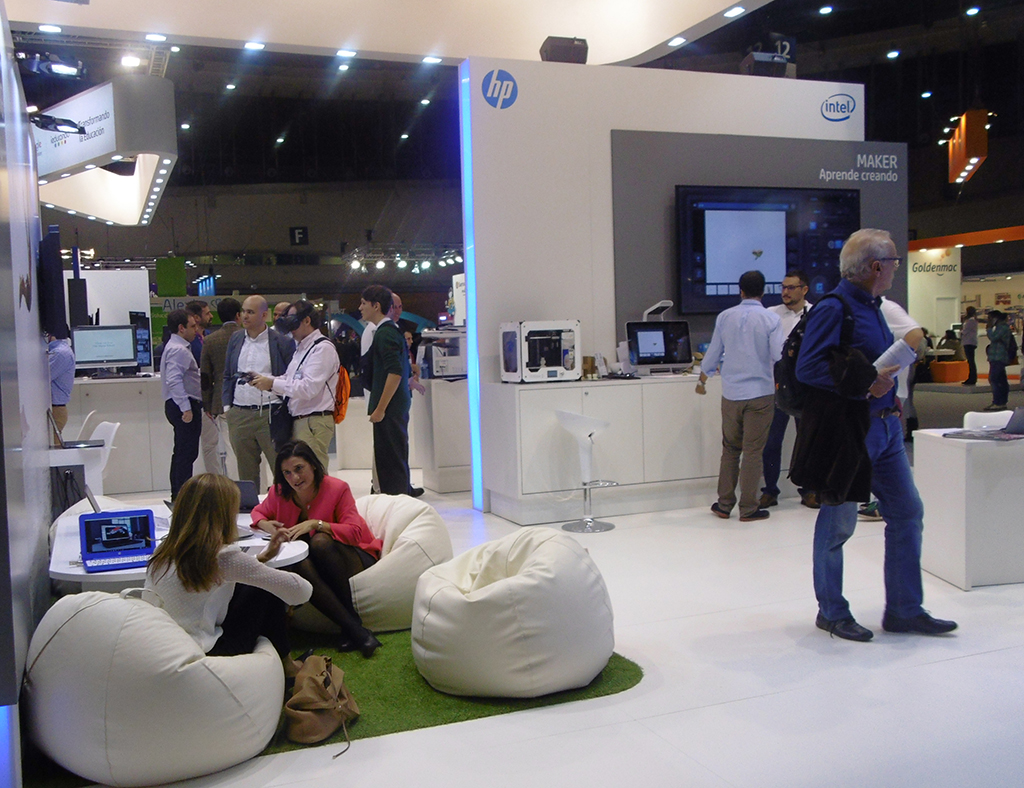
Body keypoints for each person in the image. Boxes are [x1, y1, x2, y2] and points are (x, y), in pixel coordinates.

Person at [794, 228, 957, 642]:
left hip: (885, 427)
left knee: (907, 512)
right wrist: (868, 382)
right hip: (852, 432)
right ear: (875, 267)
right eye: (894, 261)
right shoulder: (835, 307)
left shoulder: (873, 306)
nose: (896, 268)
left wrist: (890, 399)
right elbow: (807, 368)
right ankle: (832, 611)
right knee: (838, 524)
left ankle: (904, 609)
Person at [144, 473, 312, 674]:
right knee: (264, 591)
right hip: (207, 651)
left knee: (253, 586)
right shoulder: (223, 556)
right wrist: (266, 571)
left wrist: (262, 558)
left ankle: (286, 664)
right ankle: (289, 667)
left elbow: (220, 575)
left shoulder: (163, 550)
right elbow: (302, 592)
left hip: (162, 647)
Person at [251, 441, 382, 657]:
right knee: (299, 564)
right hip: (317, 565)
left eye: (299, 468)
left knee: (321, 542)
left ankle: (352, 627)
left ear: (312, 464)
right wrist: (266, 524)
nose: (294, 478)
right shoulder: (279, 492)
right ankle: (355, 629)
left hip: (354, 556)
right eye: (286, 472)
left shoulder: (337, 488)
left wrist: (316, 524)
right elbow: (257, 512)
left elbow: (355, 533)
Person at [696, 270, 784, 522]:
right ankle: (748, 507)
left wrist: (702, 380)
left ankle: (724, 504)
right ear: (764, 291)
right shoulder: (771, 319)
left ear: (740, 290)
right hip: (761, 393)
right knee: (753, 451)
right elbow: (778, 355)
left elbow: (713, 353)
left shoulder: (725, 317)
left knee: (730, 449)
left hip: (731, 393)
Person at [251, 300, 339, 472]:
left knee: (314, 473)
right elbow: (289, 378)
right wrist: (265, 380)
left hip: (313, 420)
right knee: (302, 474)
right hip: (300, 419)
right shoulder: (302, 348)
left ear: (307, 320)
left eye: (293, 322)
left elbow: (308, 388)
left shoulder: (322, 349)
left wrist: (273, 383)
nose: (290, 329)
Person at [223, 295, 295, 490]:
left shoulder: (282, 342)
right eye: (243, 311)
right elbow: (228, 374)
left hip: (271, 413)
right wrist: (228, 407)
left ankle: (284, 505)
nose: (244, 316)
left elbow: (291, 378)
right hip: (240, 414)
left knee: (281, 468)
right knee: (246, 474)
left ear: (264, 315)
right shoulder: (236, 338)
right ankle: (252, 508)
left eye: (250, 312)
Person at [759, 269, 817, 510]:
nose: (785, 292)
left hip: (805, 387)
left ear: (804, 289)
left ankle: (809, 489)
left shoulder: (815, 314)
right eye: (783, 287)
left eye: (791, 287)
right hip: (777, 386)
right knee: (772, 441)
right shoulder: (770, 314)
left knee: (807, 441)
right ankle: (770, 490)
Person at [360, 285, 413, 496]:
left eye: (364, 303)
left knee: (391, 465)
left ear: (376, 306)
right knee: (392, 461)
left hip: (389, 409)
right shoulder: (388, 331)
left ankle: (396, 505)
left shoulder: (385, 333)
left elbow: (395, 372)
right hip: (392, 408)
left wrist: (380, 409)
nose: (360, 308)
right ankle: (397, 502)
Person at [162, 309, 203, 501]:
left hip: (179, 403)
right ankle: (182, 497)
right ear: (181, 328)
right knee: (186, 454)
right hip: (184, 404)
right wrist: (185, 407)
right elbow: (174, 380)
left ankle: (179, 495)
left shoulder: (175, 347)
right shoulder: (179, 350)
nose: (196, 330)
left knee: (181, 452)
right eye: (192, 326)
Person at [199, 297, 242, 475]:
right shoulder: (248, 336)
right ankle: (259, 487)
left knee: (230, 446)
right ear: (238, 315)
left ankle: (235, 486)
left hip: (222, 400)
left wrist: (207, 404)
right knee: (253, 450)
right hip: (249, 398)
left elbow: (205, 376)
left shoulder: (211, 340)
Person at [47, 329, 75, 439]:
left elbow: (41, 378)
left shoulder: (60, 353)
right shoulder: (57, 351)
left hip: (55, 410)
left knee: (52, 446)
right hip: (53, 409)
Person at [985, 309, 1013, 412]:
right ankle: (1001, 402)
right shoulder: (1001, 327)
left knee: (995, 379)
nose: (988, 320)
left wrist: (989, 329)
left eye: (990, 318)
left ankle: (998, 402)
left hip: (999, 356)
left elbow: (994, 337)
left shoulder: (1002, 327)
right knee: (1001, 379)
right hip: (996, 356)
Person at [961, 306, 979, 385]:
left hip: (969, 342)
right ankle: (972, 377)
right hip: (970, 342)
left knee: (971, 361)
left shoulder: (970, 321)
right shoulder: (973, 321)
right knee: (971, 361)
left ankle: (972, 378)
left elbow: (964, 331)